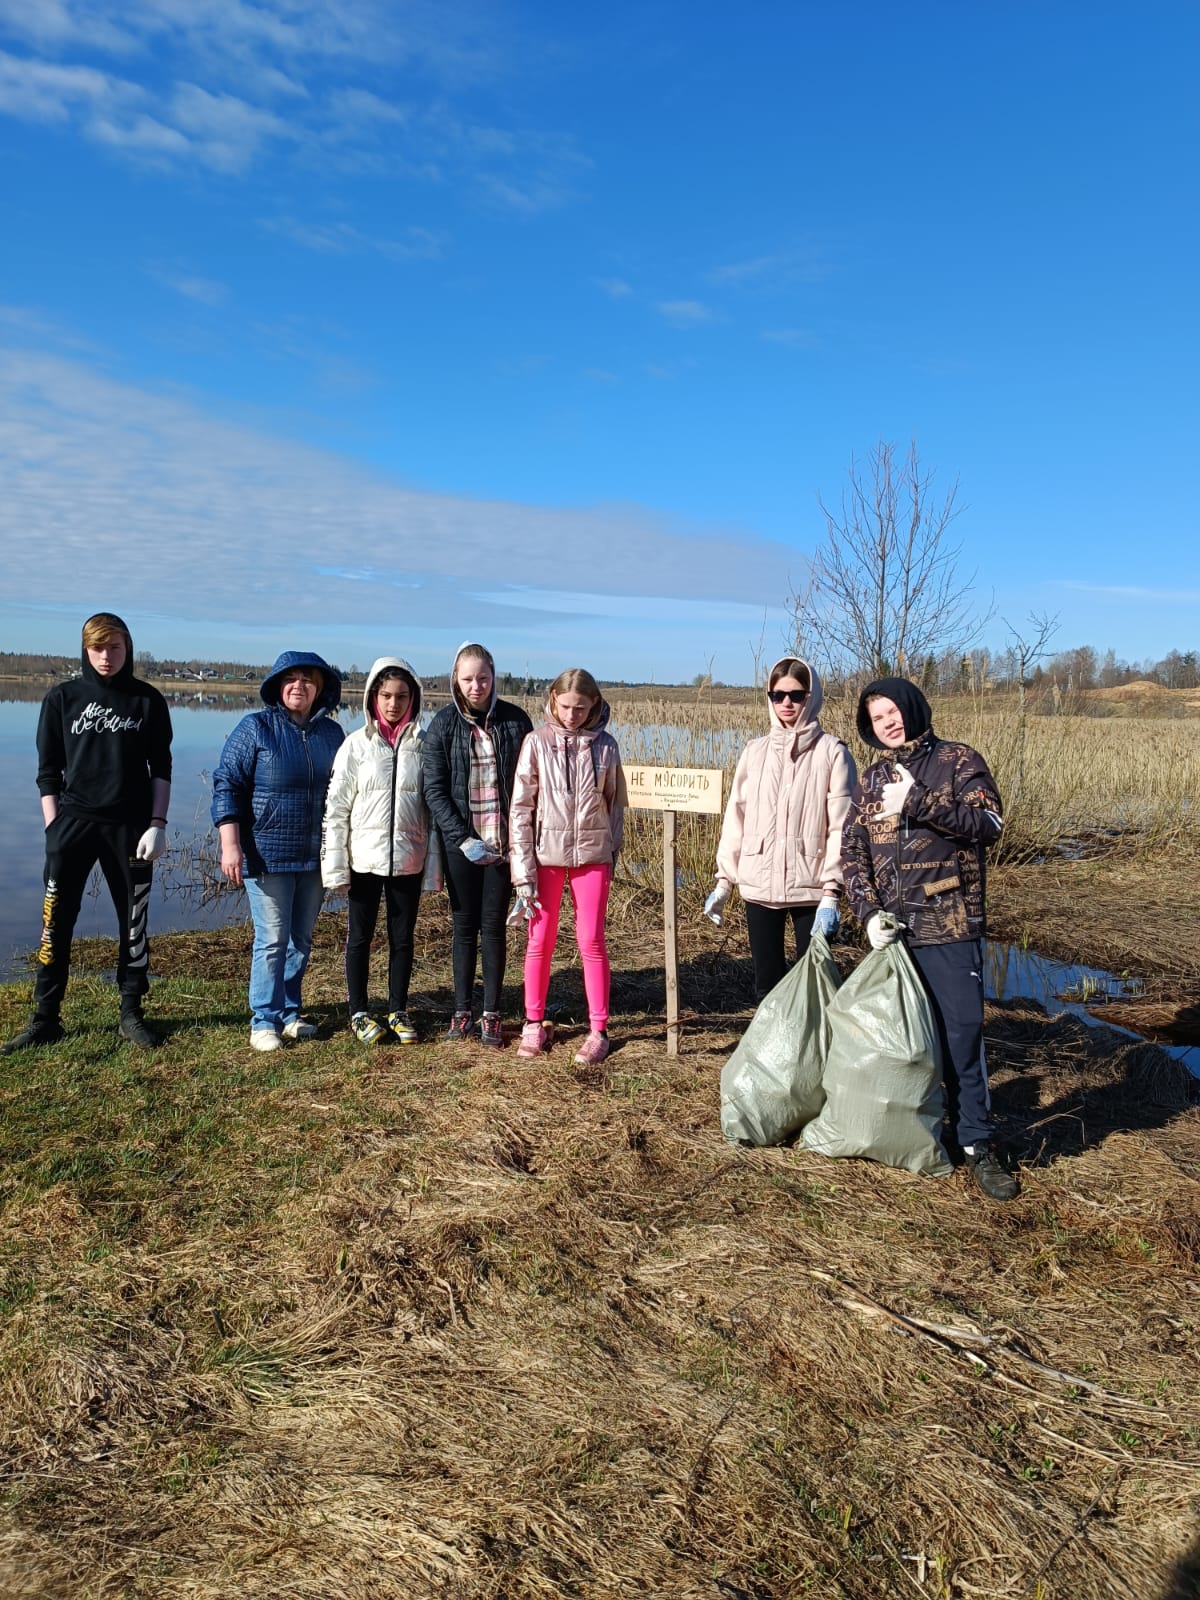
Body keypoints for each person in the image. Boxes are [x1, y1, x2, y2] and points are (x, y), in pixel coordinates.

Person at [840, 675, 1019, 1201]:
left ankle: (978, 1145)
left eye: (893, 711)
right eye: (877, 718)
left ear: (913, 708)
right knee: (906, 1037)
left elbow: (989, 822)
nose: (888, 722)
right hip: (893, 935)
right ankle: (921, 1129)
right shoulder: (870, 779)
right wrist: (867, 911)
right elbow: (853, 852)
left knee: (961, 1034)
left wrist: (918, 800)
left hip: (949, 924)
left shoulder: (959, 761)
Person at [2, 612, 173, 1054]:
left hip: (131, 827)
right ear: (85, 649)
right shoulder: (62, 699)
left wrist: (158, 824)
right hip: (73, 825)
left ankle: (131, 1013)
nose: (106, 656)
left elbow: (162, 768)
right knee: (55, 921)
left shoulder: (147, 701)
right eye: (98, 648)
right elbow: (47, 773)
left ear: (127, 648)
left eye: (115, 647)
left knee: (133, 922)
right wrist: (53, 828)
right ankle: (45, 1018)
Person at [212, 652, 344, 1052]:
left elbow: (344, 793)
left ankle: (289, 1012)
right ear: (277, 685)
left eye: (307, 679)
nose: (299, 686)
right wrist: (230, 844)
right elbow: (227, 785)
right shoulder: (255, 729)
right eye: (291, 678)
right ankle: (262, 1020)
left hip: (315, 857)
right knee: (271, 939)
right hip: (267, 855)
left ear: (319, 688)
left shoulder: (332, 736)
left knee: (300, 938)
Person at [706, 656, 856, 1000]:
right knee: (766, 985)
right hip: (759, 883)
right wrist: (724, 881)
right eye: (778, 695)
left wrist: (832, 892)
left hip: (812, 888)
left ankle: (812, 1052)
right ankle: (770, 1052)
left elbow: (842, 827)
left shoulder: (832, 753)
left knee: (813, 986)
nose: (786, 702)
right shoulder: (754, 751)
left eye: (796, 694)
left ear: (812, 696)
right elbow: (736, 817)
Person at [509, 668, 627, 1066]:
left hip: (593, 857)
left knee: (591, 939)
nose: (573, 714)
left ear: (594, 704)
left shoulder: (607, 747)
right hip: (545, 858)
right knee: (539, 941)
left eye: (581, 707)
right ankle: (534, 1022)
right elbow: (521, 810)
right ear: (553, 700)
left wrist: (611, 852)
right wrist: (523, 873)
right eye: (565, 706)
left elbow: (615, 807)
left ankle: (598, 1030)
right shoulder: (536, 743)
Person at [422, 643, 533, 1047]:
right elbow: (434, 790)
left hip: (503, 846)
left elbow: (529, 784)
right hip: (462, 847)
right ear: (456, 678)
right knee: (463, 928)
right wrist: (462, 838)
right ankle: (461, 1011)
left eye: (483, 678)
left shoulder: (516, 721)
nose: (476, 686)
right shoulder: (444, 725)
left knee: (495, 928)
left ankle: (491, 1013)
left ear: (494, 677)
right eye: (467, 678)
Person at [321, 658, 431, 1045]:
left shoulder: (424, 744)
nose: (393, 704)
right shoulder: (356, 745)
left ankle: (398, 1010)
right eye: (386, 695)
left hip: (408, 860)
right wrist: (335, 868)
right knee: (360, 937)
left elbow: (431, 809)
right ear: (373, 696)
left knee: (402, 938)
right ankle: (359, 1012)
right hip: (364, 860)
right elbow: (336, 808)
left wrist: (431, 870)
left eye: (402, 696)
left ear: (413, 698)